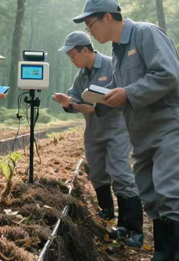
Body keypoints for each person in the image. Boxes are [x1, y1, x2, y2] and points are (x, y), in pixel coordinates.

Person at [73, 0, 179, 261]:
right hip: (142, 131)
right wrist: (97, 102)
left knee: (170, 189)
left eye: (90, 24)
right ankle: (163, 253)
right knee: (150, 192)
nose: (89, 32)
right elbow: (120, 95)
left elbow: (166, 74)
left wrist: (128, 92)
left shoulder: (145, 33)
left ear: (108, 17)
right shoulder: (117, 52)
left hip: (170, 125)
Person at [52, 31, 144, 247]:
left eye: (73, 55)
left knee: (120, 172)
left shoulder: (113, 65)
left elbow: (124, 95)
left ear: (85, 50)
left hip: (116, 128)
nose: (71, 59)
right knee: (98, 173)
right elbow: (75, 97)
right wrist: (68, 103)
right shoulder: (81, 75)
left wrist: (95, 105)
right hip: (93, 130)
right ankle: (107, 214)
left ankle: (132, 229)